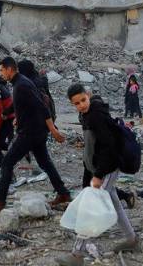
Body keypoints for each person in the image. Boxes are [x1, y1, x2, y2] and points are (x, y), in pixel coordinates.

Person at [56, 84, 138, 265]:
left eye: (83, 100)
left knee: (89, 209)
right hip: (99, 167)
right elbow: (92, 147)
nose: (81, 105)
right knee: (115, 203)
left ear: (89, 95)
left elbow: (108, 146)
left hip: (107, 168)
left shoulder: (96, 115)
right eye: (76, 103)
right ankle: (132, 239)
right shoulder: (86, 114)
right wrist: (90, 172)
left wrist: (99, 174)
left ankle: (77, 254)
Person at [0, 57, 70, 212]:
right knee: (45, 163)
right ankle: (63, 193)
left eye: (2, 69)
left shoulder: (22, 85)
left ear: (9, 69)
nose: (1, 73)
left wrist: (53, 130)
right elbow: (19, 104)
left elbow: (42, 107)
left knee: (7, 163)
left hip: (30, 132)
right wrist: (7, 114)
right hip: (37, 130)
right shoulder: (20, 83)